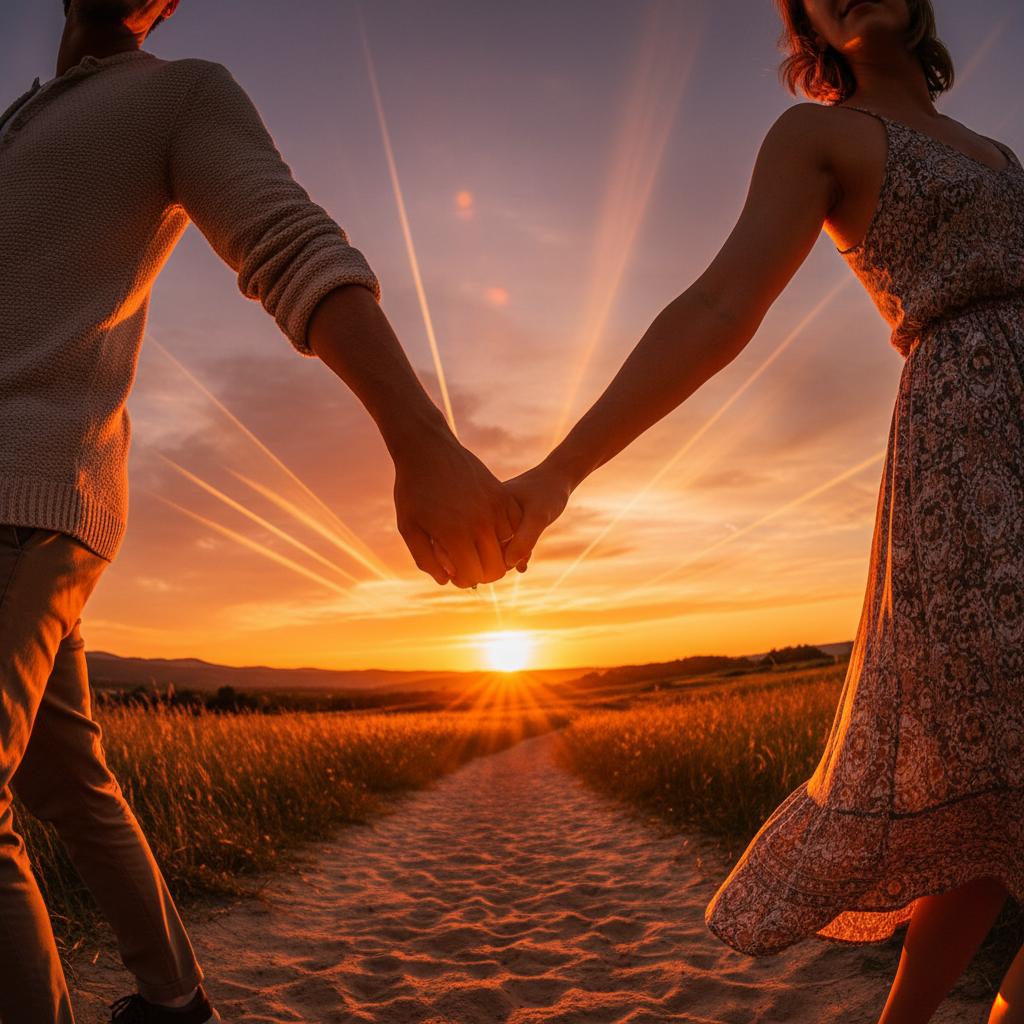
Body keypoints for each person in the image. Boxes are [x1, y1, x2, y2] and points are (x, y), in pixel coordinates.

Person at [0, 1, 521, 1022]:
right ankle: (176, 1001)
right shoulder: (21, 120)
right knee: (68, 782)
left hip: (29, 497)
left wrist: (419, 438)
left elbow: (286, 240)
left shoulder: (181, 93)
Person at [503, 1, 1024, 1021]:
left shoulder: (1000, 154)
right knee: (992, 768)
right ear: (812, 32)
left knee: (996, 803)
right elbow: (717, 306)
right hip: (967, 472)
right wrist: (560, 470)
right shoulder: (819, 136)